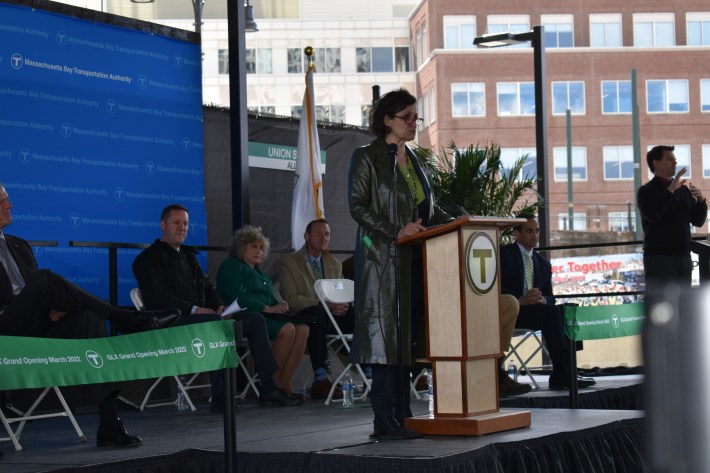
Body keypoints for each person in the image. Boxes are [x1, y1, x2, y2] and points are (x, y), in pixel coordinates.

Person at [0, 184, 182, 448]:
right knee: (44, 280)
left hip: (35, 327)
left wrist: (61, 304)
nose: (10, 205)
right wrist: (42, 296)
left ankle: (109, 424)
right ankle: (124, 318)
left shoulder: (19, 245)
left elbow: (39, 295)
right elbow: (35, 290)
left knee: (89, 319)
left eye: (8, 199)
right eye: (2, 201)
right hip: (5, 330)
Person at [349, 88, 455, 440]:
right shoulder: (366, 156)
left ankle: (405, 416)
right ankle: (385, 421)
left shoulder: (416, 159)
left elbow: (426, 209)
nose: (413, 124)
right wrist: (395, 230)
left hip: (414, 260)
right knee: (386, 343)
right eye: (406, 117)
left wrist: (457, 219)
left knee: (406, 341)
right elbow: (358, 206)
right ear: (386, 120)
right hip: (382, 260)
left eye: (415, 117)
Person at [133, 205, 301, 408]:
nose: (182, 227)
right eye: (176, 222)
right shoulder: (146, 259)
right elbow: (158, 297)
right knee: (214, 323)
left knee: (255, 321)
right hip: (172, 323)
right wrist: (194, 310)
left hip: (206, 319)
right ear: (163, 225)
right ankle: (221, 396)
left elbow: (208, 289)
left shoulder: (188, 256)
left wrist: (221, 306)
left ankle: (269, 388)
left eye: (185, 223)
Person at [499, 213, 596, 390]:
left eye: (537, 231)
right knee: (552, 313)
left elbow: (551, 297)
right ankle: (561, 373)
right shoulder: (503, 255)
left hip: (536, 312)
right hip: (510, 311)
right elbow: (496, 288)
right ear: (516, 233)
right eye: (529, 231)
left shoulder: (543, 263)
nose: (535, 235)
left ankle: (567, 369)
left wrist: (542, 299)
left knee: (565, 311)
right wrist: (520, 300)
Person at [216, 225, 309, 398]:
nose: (259, 251)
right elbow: (238, 296)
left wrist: (280, 306)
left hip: (264, 315)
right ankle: (271, 385)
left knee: (303, 328)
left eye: (261, 247)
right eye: (253, 246)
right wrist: (266, 308)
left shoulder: (261, 274)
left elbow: (270, 299)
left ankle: (284, 383)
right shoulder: (231, 266)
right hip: (242, 316)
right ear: (241, 247)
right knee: (287, 329)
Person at [279, 218, 354, 399]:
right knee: (319, 311)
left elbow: (342, 292)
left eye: (327, 234)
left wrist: (343, 305)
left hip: (332, 315)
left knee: (355, 310)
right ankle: (320, 378)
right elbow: (291, 298)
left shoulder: (334, 264)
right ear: (306, 236)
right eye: (318, 232)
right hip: (305, 315)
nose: (323, 237)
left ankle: (362, 366)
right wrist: (325, 305)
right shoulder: (290, 261)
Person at [637, 145, 706, 290]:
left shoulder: (683, 190)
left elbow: (697, 221)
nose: (675, 163)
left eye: (675, 160)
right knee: (660, 306)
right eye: (669, 160)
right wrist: (670, 190)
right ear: (656, 163)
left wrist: (701, 201)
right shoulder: (646, 191)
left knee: (683, 305)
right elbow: (653, 215)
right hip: (658, 258)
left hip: (683, 256)